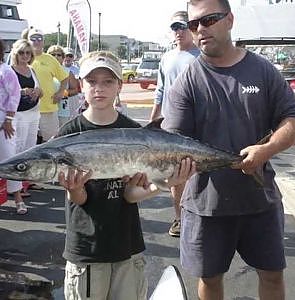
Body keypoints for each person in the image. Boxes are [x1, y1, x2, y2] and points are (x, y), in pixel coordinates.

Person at [162, 1, 295, 299]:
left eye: (209, 20)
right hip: (205, 206)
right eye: (193, 24)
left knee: (273, 276)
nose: (201, 29)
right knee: (210, 281)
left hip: (260, 202)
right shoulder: (188, 81)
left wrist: (267, 150)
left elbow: (294, 119)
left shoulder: (262, 70)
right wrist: (171, 175)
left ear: (230, 20)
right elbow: (172, 142)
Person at [57, 50, 195, 300]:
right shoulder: (68, 135)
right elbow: (80, 200)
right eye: (92, 81)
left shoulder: (133, 131)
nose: (99, 88)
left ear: (119, 85)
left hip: (127, 246)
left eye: (108, 81)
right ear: (81, 85)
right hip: (87, 249)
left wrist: (164, 184)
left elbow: (130, 195)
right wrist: (74, 188)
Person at [149, 10, 200, 237]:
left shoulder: (202, 56)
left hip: (199, 126)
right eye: (174, 28)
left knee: (199, 173)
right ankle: (179, 218)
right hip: (170, 127)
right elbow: (160, 91)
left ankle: (200, 217)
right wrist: (152, 120)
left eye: (181, 26)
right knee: (175, 176)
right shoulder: (166, 57)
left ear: (191, 27)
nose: (178, 32)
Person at [10, 39, 43, 212]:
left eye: (28, 53)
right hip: (17, 116)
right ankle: (16, 197)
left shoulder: (31, 70)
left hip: (33, 113)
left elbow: (42, 91)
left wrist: (38, 91)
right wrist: (20, 91)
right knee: (17, 152)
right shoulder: (9, 71)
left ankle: (23, 185)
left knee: (30, 150)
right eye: (22, 52)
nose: (25, 56)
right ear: (16, 54)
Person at [28, 28, 69, 141]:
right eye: (33, 39)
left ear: (43, 42)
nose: (36, 41)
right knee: (27, 143)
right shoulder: (22, 57)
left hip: (48, 108)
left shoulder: (50, 59)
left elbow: (64, 78)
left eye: (39, 39)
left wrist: (60, 93)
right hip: (26, 109)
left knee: (51, 141)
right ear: (28, 41)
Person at [0, 39, 26, 214]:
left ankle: (17, 197)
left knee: (9, 159)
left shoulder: (5, 70)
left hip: (4, 121)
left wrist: (8, 119)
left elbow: (14, 95)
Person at [47, 45, 79, 127]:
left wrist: (62, 93)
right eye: (53, 55)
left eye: (59, 55)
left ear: (63, 57)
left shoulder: (68, 72)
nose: (56, 57)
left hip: (62, 109)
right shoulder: (43, 71)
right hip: (46, 108)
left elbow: (75, 90)